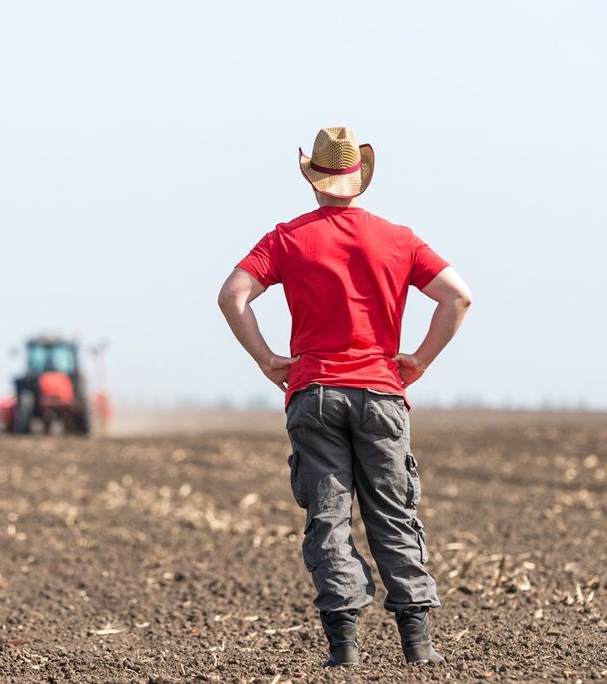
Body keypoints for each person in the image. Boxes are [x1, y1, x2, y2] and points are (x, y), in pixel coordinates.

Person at [217, 126, 472, 668]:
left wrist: (267, 360)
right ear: (359, 180)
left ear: (313, 180)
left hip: (315, 392)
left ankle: (345, 650)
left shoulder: (287, 238)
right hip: (381, 392)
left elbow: (233, 294)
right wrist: (419, 359)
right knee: (394, 515)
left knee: (328, 519)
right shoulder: (399, 238)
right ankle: (418, 646)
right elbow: (458, 297)